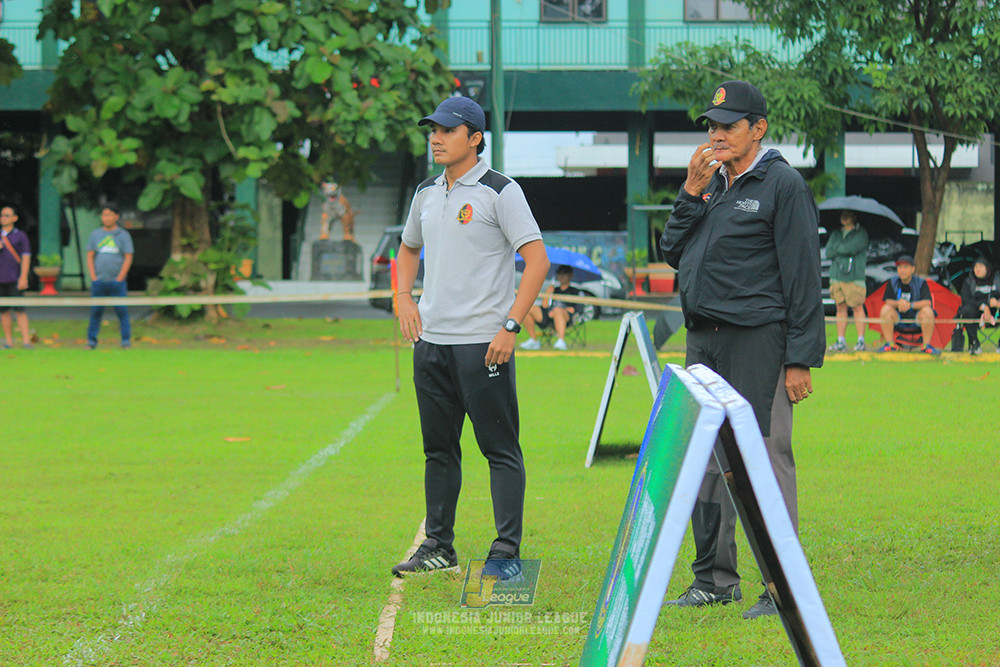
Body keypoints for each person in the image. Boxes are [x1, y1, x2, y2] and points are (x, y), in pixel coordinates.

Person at [658, 80, 825, 620]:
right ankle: (713, 579)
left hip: (760, 341)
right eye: (712, 125)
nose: (717, 134)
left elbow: (803, 276)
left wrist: (799, 358)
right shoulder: (709, 184)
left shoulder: (783, 185)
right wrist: (689, 193)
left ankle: (783, 588)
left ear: (759, 129)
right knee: (705, 459)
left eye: (729, 125)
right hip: (703, 339)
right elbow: (672, 251)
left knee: (764, 460)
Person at [391, 96, 549, 579]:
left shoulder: (501, 191)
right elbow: (407, 248)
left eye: (447, 130)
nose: (436, 138)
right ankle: (439, 547)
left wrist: (511, 326)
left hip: (484, 344)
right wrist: (403, 296)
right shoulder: (426, 192)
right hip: (431, 343)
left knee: (499, 449)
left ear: (475, 138)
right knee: (438, 450)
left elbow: (537, 260)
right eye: (433, 130)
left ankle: (505, 554)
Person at [86, 204, 134, 349]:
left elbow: (128, 256)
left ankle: (125, 341)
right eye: (104, 215)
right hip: (99, 281)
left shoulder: (123, 235)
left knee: (122, 311)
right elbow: (90, 256)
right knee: (96, 312)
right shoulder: (95, 235)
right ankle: (91, 341)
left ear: (116, 217)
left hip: (117, 282)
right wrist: (93, 276)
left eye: (109, 215)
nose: (106, 218)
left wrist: (121, 277)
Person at [826, 210, 869, 351]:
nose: (844, 217)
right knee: (840, 307)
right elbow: (828, 252)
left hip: (854, 278)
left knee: (857, 307)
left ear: (854, 217)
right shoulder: (836, 233)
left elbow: (851, 248)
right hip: (836, 276)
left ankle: (861, 341)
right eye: (842, 214)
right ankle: (841, 341)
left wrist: (839, 249)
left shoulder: (861, 234)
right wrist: (842, 249)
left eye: (848, 214)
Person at [877, 254, 938, 354]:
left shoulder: (921, 283)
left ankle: (926, 346)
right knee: (885, 309)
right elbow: (887, 300)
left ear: (913, 269)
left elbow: (927, 302)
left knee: (928, 311)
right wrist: (898, 303)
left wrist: (910, 305)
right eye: (900, 267)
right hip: (898, 318)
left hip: (916, 318)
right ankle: (890, 345)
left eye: (905, 267)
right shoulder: (892, 282)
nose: (902, 270)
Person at [520, 264, 583, 351]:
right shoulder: (554, 289)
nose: (561, 276)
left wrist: (558, 311)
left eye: (564, 274)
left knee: (557, 310)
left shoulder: (574, 291)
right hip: (549, 315)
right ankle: (533, 340)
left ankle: (561, 340)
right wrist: (548, 293)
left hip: (565, 317)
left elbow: (575, 309)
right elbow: (545, 306)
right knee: (528, 309)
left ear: (570, 275)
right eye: (559, 274)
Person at [0, 205, 33, 349]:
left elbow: (26, 257)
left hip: (14, 278)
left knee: (20, 310)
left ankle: (26, 341)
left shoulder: (20, 235)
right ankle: (8, 341)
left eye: (6, 215)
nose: (3, 218)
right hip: (1, 279)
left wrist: (23, 277)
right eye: (2, 215)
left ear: (14, 218)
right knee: (4, 311)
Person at [954, 257, 999, 355]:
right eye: (976, 267)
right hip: (976, 311)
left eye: (981, 266)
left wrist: (997, 303)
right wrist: (984, 307)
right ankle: (974, 343)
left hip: (995, 311)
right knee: (966, 310)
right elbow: (966, 300)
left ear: (987, 268)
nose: (978, 269)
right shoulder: (969, 282)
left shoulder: (996, 281)